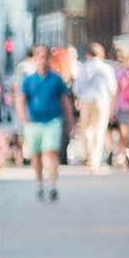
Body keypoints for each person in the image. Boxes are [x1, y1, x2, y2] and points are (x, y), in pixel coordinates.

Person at [17, 44, 74, 201]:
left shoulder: (56, 80)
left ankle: (53, 186)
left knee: (51, 151)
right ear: (35, 58)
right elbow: (21, 100)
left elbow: (65, 102)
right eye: (39, 56)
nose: (43, 59)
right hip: (34, 122)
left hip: (53, 121)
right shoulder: (28, 80)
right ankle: (40, 185)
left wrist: (70, 122)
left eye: (45, 56)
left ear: (49, 59)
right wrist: (23, 117)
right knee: (36, 155)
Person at [74, 43, 118, 170]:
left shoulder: (83, 67)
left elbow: (77, 87)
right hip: (102, 101)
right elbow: (112, 88)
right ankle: (95, 160)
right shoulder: (106, 68)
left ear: (89, 54)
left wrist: (80, 97)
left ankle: (88, 155)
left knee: (86, 129)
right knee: (99, 130)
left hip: (86, 101)